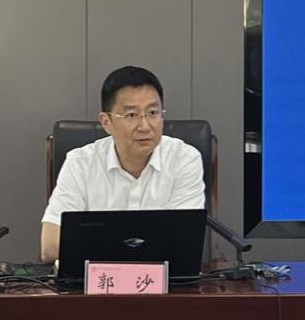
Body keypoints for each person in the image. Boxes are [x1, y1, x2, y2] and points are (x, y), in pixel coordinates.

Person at [40, 65, 205, 263]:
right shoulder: (80, 163)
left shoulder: (184, 159)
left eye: (153, 113)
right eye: (131, 115)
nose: (145, 126)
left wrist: (94, 244)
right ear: (106, 122)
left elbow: (183, 243)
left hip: (163, 280)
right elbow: (50, 246)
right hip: (96, 281)